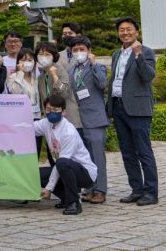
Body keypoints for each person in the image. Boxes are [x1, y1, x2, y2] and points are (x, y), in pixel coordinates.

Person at [107, 17, 158, 206]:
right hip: (119, 107)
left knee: (144, 152)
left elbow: (148, 76)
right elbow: (116, 81)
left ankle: (151, 192)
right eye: (121, 29)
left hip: (138, 109)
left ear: (137, 32)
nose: (125, 33)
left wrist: (138, 56)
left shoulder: (146, 52)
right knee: (127, 153)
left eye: (129, 29)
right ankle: (136, 190)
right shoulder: (115, 54)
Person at [37, 94, 98, 215]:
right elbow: (28, 127)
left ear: (63, 112)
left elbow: (62, 162)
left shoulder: (69, 132)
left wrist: (49, 188)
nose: (51, 113)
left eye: (55, 110)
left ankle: (74, 203)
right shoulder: (46, 124)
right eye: (48, 110)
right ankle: (66, 198)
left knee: (62, 163)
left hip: (85, 173)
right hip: (64, 167)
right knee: (37, 174)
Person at [68, 37, 109, 204]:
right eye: (75, 49)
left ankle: (101, 190)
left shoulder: (98, 67)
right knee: (86, 156)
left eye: (82, 49)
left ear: (89, 50)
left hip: (95, 117)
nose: (79, 52)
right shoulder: (72, 70)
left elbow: (102, 83)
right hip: (79, 118)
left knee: (98, 155)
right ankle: (91, 187)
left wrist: (92, 64)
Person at [5, 48, 45, 158]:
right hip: (21, 119)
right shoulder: (13, 77)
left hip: (37, 118)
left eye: (30, 60)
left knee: (36, 148)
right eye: (23, 60)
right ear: (18, 62)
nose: (26, 63)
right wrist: (20, 73)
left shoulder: (37, 78)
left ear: (35, 62)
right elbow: (15, 92)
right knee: (24, 151)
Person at [35, 41, 82, 133]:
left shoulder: (60, 70)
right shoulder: (41, 75)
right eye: (40, 54)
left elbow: (64, 93)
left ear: (53, 56)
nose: (43, 57)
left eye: (47, 54)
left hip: (68, 120)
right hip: (51, 121)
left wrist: (54, 76)